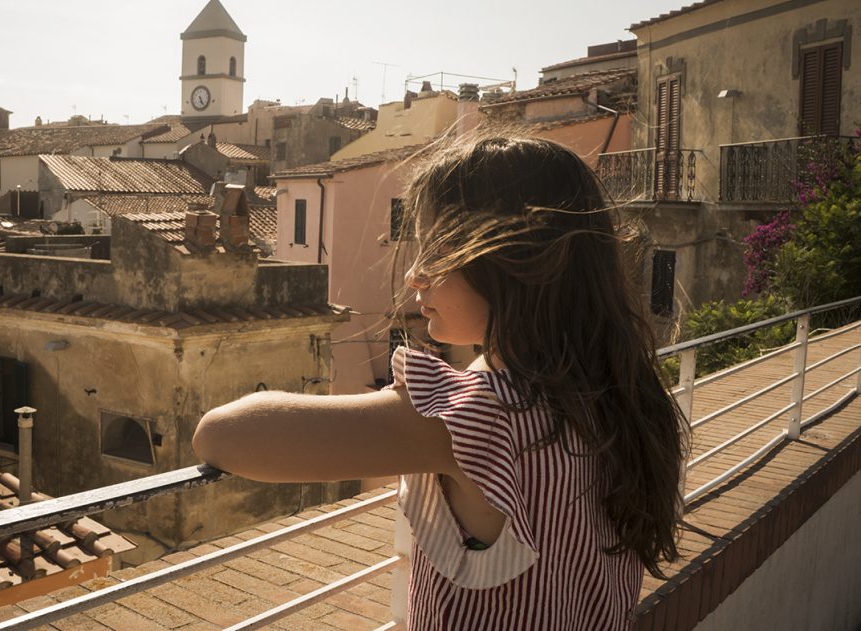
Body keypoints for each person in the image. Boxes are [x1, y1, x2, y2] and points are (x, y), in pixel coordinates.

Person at [193, 136, 686, 630]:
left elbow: (222, 435)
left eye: (444, 248)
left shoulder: (482, 416)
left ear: (520, 260)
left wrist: (417, 400)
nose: (415, 275)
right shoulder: (623, 397)